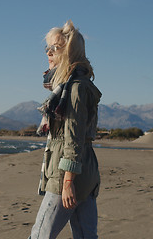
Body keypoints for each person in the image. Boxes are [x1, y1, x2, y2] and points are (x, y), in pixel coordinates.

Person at [30, 20, 102, 239]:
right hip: (86, 173)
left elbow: (73, 137)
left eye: (55, 49)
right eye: (48, 48)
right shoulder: (75, 85)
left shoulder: (74, 89)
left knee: (40, 236)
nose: (49, 53)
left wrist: (67, 181)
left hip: (67, 174)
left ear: (69, 53)